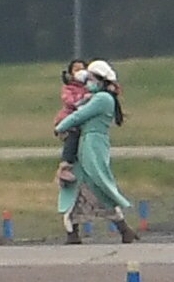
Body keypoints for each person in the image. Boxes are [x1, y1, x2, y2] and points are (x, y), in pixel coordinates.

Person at [54, 60, 139, 245]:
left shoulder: (102, 99)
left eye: (91, 78)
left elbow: (78, 115)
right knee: (78, 188)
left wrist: (61, 126)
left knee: (98, 182)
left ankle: (123, 229)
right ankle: (73, 233)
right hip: (88, 143)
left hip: (92, 145)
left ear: (100, 80)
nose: (88, 82)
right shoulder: (97, 97)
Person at [54, 59, 90, 183]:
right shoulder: (68, 88)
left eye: (83, 69)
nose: (81, 72)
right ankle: (65, 167)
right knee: (72, 137)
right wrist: (82, 100)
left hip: (82, 120)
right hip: (68, 119)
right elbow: (69, 101)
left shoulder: (89, 87)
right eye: (76, 69)